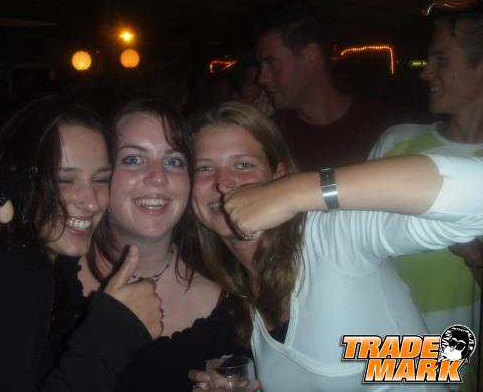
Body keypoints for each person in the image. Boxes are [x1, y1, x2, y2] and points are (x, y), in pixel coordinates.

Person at [188, 101, 483, 391]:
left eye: (243, 164)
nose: (223, 182)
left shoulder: (332, 235)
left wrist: (295, 191)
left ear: (276, 174)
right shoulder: (235, 292)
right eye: (204, 168)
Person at [0, 95, 163, 392]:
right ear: (18, 181)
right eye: (64, 180)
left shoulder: (54, 265)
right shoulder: (5, 270)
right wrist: (115, 333)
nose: (90, 202)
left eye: (101, 180)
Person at [78, 99, 236, 391]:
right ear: (103, 174)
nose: (158, 177)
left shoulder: (226, 306)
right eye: (133, 160)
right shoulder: (50, 280)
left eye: (174, 161)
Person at [369, 10, 483, 392]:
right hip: (374, 354)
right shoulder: (397, 143)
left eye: (441, 59)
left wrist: (477, 258)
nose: (425, 72)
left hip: (453, 366)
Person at [254, 1, 410, 171]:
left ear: (310, 56)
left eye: (271, 63)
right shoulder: (273, 137)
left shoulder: (389, 123)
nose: (262, 78)